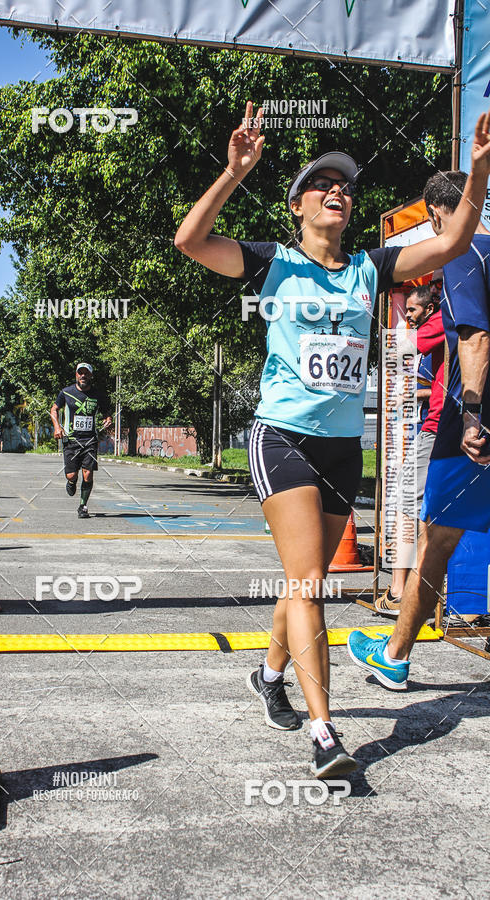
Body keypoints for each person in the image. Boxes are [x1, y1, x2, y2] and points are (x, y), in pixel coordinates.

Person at [175, 102, 490, 777]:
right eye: (322, 185)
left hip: (344, 449)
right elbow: (191, 240)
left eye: (344, 185)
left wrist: (480, 171)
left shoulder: (371, 267)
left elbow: (454, 241)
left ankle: (268, 676)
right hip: (282, 438)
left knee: (303, 580)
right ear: (297, 207)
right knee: (310, 583)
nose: (337, 192)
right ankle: (325, 735)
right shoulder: (273, 263)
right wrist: (234, 173)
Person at [349, 167, 490, 689]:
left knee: (436, 541)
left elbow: (474, 337)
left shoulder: (462, 253)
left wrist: (472, 414)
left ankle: (395, 655)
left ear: (434, 216)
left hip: (469, 427)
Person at [375, 284, 445, 616]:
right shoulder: (465, 322)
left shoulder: (445, 319)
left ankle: (403, 591)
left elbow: (403, 349)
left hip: (438, 425)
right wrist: (419, 394)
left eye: (413, 311)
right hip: (449, 421)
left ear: (430, 308)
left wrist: (398, 334)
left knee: (405, 502)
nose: (409, 317)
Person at [50, 363, 113, 519]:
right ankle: (71, 483)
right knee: (71, 475)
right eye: (80, 373)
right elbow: (54, 409)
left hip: (90, 440)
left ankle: (83, 506)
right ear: (76, 375)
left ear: (91, 376)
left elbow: (106, 412)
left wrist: (108, 419)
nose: (83, 376)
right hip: (71, 440)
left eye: (86, 373)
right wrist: (57, 427)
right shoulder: (66, 392)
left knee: (88, 474)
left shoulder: (97, 395)